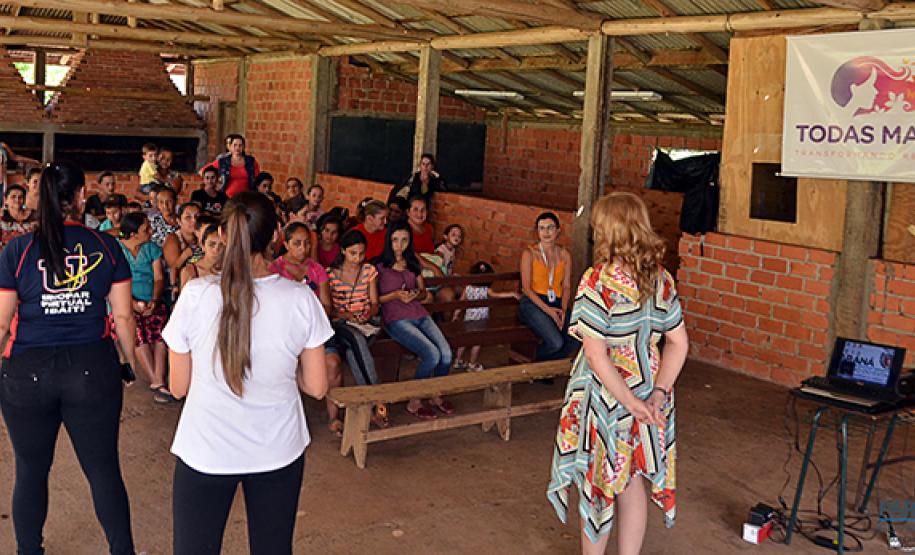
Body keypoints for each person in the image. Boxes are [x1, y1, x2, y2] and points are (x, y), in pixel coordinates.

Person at [162, 192, 331, 555]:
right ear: (277, 235)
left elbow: (178, 387)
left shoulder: (195, 294)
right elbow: (317, 386)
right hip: (278, 450)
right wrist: (283, 371)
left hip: (206, 449)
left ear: (222, 234)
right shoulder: (301, 299)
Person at [0, 162, 139, 555]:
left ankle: (29, 550)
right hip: (91, 368)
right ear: (80, 196)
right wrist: (128, 363)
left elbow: (2, 322)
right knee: (103, 470)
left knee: (30, 471)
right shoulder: (106, 245)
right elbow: (123, 317)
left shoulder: (17, 251)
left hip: (27, 372)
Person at [546, 192, 689, 555]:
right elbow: (678, 343)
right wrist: (657, 394)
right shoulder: (662, 279)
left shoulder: (597, 281)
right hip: (648, 389)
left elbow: (596, 355)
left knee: (598, 485)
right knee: (631, 480)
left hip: (605, 396)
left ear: (608, 232)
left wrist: (627, 401)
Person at [377, 220, 453, 420]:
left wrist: (415, 295)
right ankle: (415, 401)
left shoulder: (413, 263)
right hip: (395, 318)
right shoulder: (379, 266)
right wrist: (395, 295)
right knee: (432, 355)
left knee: (446, 353)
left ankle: (435, 393)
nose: (399, 245)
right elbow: (375, 299)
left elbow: (423, 292)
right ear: (388, 241)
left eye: (404, 240)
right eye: (395, 240)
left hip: (419, 313)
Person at [326, 230, 385, 430]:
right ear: (343, 251)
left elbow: (375, 303)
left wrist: (367, 314)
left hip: (365, 324)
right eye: (353, 253)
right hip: (341, 324)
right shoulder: (330, 274)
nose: (357, 259)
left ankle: (369, 403)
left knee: (354, 351)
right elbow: (330, 309)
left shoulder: (369, 271)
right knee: (356, 339)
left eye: (361, 254)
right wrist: (347, 316)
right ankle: (376, 398)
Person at [117, 212, 173, 405]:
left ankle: (159, 379)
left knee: (160, 331)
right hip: (124, 303)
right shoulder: (117, 250)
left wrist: (154, 301)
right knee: (137, 330)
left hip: (152, 301)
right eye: (146, 229)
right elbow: (113, 283)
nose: (151, 231)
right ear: (133, 234)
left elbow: (158, 278)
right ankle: (157, 381)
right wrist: (133, 303)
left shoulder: (152, 249)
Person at [519, 212, 578, 362]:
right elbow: (526, 289)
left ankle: (546, 365)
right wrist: (550, 312)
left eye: (550, 227)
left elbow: (566, 286)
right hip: (533, 303)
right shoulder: (529, 253)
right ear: (537, 231)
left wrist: (563, 309)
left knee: (577, 337)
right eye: (542, 228)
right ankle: (537, 364)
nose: (546, 232)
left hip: (557, 302)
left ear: (558, 230)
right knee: (556, 342)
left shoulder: (565, 254)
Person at [453, 261, 520, 372]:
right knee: (477, 342)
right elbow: (498, 295)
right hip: (480, 321)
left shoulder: (468, 288)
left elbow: (461, 302)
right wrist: (512, 293)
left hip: (468, 319)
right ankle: (472, 364)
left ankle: (458, 360)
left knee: (464, 340)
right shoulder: (486, 290)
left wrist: (456, 314)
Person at [162, 202, 203, 298]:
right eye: (188, 217)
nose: (194, 220)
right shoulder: (173, 239)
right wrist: (185, 255)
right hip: (179, 288)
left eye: (197, 216)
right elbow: (175, 269)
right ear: (179, 221)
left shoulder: (203, 237)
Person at [180, 224, 222, 290]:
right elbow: (184, 296)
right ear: (203, 246)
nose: (216, 249)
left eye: (221, 245)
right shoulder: (189, 271)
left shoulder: (231, 269)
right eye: (211, 244)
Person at [0, 184, 37, 249]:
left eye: (20, 197)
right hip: (7, 253)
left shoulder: (34, 216)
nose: (17, 200)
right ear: (5, 200)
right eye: (13, 197)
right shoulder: (1, 217)